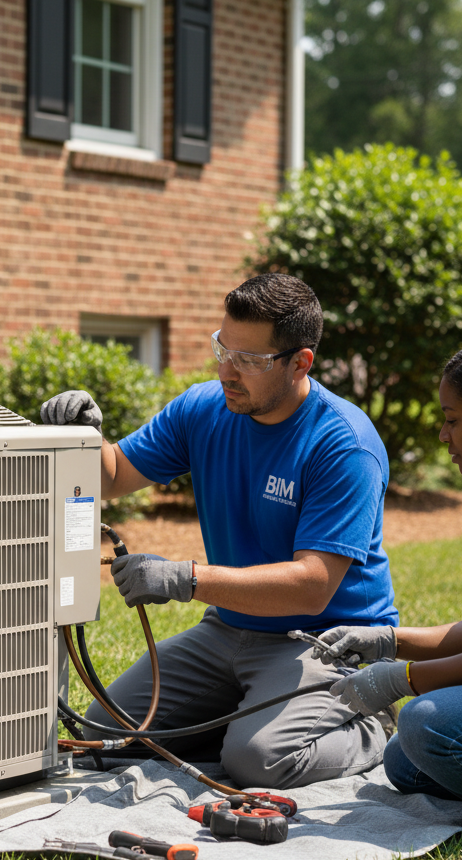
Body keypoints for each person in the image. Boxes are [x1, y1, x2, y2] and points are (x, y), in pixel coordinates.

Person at [42, 273, 398, 790]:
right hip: (228, 629)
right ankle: (242, 719)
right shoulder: (203, 408)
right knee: (109, 736)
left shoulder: (344, 445)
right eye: (222, 349)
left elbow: (314, 584)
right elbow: (114, 475)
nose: (228, 370)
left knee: (260, 761)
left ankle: (371, 723)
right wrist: (82, 435)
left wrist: (186, 578)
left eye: (250, 360)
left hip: (324, 640)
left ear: (301, 362)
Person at [318, 334, 462, 827]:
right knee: (404, 759)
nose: (443, 435)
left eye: (452, 419)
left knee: (425, 725)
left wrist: (404, 679)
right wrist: (388, 642)